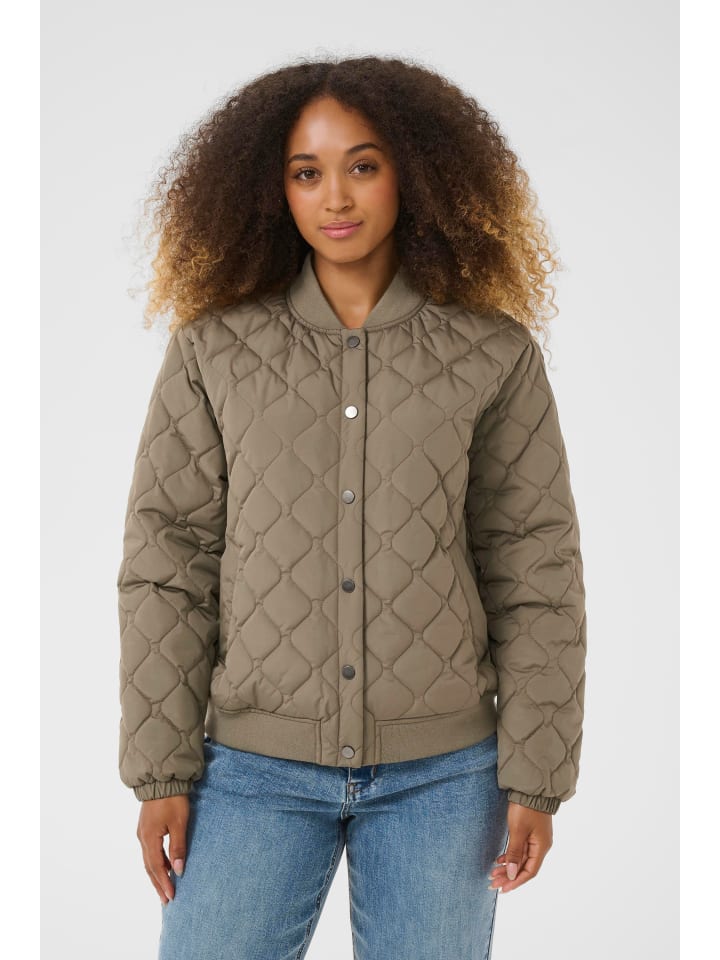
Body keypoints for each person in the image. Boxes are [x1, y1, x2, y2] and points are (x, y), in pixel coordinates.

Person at [116, 54, 587, 960]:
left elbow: (535, 567)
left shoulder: (493, 355)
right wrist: (161, 768)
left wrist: (537, 775)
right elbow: (167, 563)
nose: (335, 196)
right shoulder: (214, 350)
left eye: (363, 165)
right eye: (307, 172)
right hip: (250, 772)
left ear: (416, 171)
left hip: (445, 777)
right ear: (273, 189)